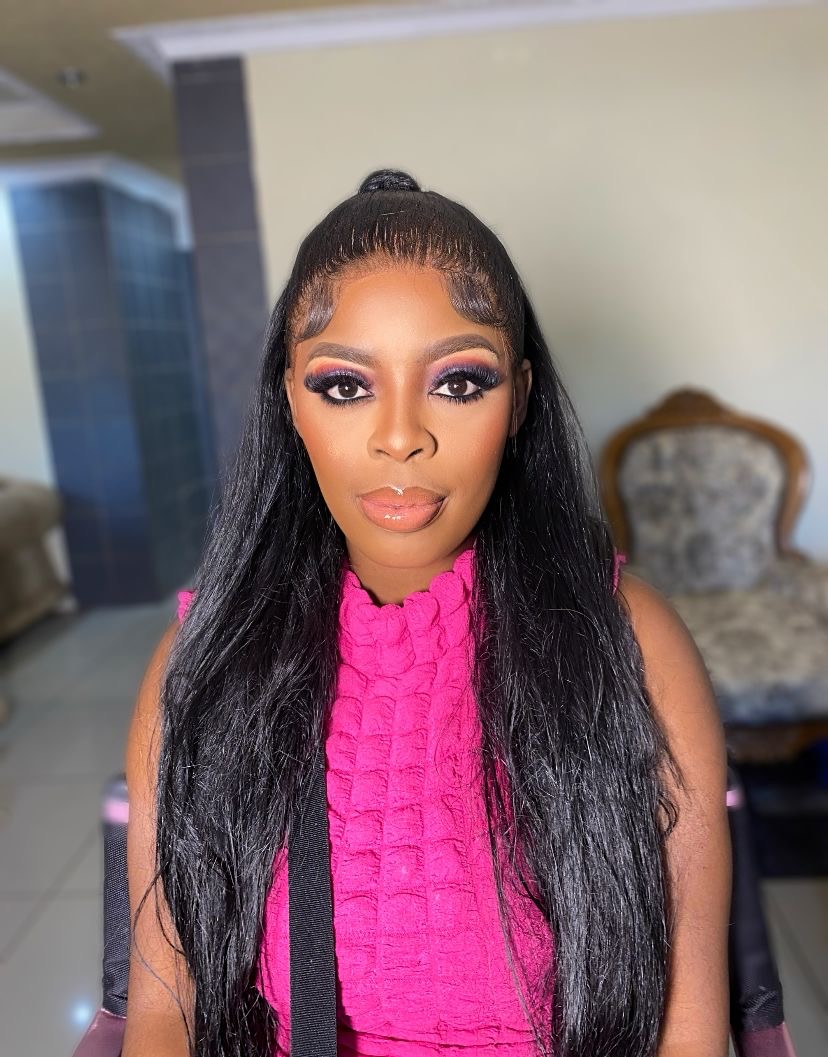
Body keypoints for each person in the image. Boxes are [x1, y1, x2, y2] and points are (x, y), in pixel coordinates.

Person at [123, 169, 730, 1057]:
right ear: (289, 402)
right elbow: (164, 1012)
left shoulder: (629, 644)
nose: (400, 436)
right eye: (345, 386)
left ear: (519, 399)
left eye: (458, 381)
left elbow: (687, 1028)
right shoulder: (206, 658)